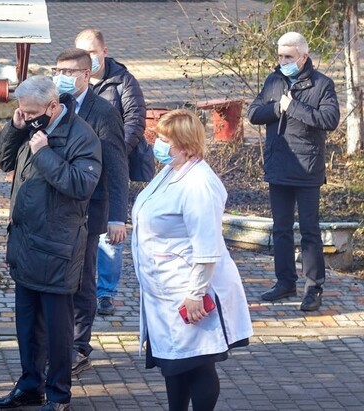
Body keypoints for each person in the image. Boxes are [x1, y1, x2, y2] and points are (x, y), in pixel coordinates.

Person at [0, 76, 101, 411]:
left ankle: (58, 394)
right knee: (27, 327)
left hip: (58, 249)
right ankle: (30, 386)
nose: (27, 117)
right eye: (22, 111)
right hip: (26, 245)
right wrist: (14, 128)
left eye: (31, 112)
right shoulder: (28, 126)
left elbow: (81, 185)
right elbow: (3, 160)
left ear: (53, 106)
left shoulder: (82, 136)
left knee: (57, 331)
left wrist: (43, 153)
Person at [132, 109, 252, 411]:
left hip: (188, 288)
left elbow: (206, 246)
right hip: (164, 287)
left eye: (165, 140)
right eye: (158, 137)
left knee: (197, 363)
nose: (158, 144)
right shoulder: (171, 170)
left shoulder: (199, 183)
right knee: (174, 363)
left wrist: (196, 293)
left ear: (185, 145)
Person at [247, 32, 340, 312]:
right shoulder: (273, 81)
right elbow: (254, 113)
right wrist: (278, 108)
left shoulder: (322, 84)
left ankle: (314, 288)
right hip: (278, 165)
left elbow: (329, 119)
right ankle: (285, 281)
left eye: (288, 56)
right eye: (280, 56)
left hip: (307, 169)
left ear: (303, 57)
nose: (283, 61)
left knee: (310, 231)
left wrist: (294, 107)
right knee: (281, 229)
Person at [51, 48, 128, 376]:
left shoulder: (103, 111)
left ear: (86, 74)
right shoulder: (54, 104)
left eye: (69, 72)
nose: (62, 77)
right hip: (57, 208)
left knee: (82, 279)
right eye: (58, 70)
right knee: (59, 278)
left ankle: (80, 346)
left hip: (90, 209)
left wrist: (117, 216)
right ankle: (59, 341)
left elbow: (117, 165)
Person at [75, 28, 149, 316]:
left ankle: (106, 292)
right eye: (83, 53)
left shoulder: (123, 82)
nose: (88, 58)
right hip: (79, 169)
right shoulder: (73, 83)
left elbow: (135, 120)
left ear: (104, 52)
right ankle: (81, 285)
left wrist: (113, 152)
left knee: (109, 234)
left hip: (110, 169)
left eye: (92, 52)